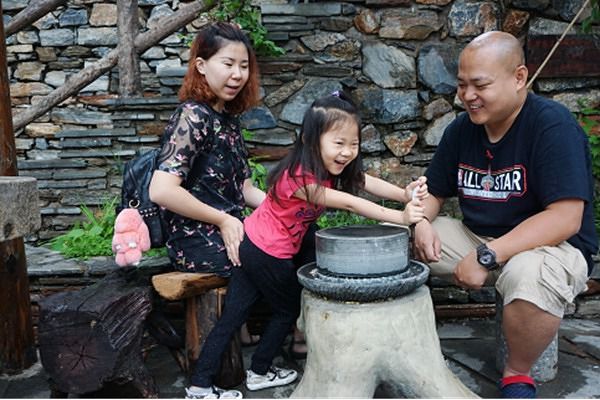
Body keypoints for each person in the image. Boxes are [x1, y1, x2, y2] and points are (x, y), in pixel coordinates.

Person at [184, 91, 428, 399]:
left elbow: (363, 181)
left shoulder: (326, 166)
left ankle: (199, 385)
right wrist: (401, 217)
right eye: (338, 143)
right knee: (286, 310)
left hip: (253, 242)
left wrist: (403, 194)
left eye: (353, 144)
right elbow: (350, 203)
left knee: (233, 315)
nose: (347, 152)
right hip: (266, 252)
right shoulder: (299, 179)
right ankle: (259, 372)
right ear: (311, 140)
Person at [413, 31, 598, 399]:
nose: (467, 95)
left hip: (550, 247)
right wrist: (420, 222)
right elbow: (432, 191)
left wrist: (488, 256)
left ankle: (517, 373)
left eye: (480, 85)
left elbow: (565, 218)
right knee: (391, 240)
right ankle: (404, 348)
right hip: (479, 237)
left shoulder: (552, 126)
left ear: (518, 78)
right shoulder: (462, 129)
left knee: (530, 274)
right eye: (462, 84)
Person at [148, 22, 265, 354]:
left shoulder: (228, 119)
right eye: (228, 64)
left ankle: (254, 334)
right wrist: (224, 220)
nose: (238, 74)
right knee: (268, 257)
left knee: (294, 238)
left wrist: (283, 210)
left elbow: (243, 189)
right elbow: (161, 190)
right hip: (195, 236)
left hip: (228, 227)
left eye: (244, 66)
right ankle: (227, 359)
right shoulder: (192, 116)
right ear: (201, 65)